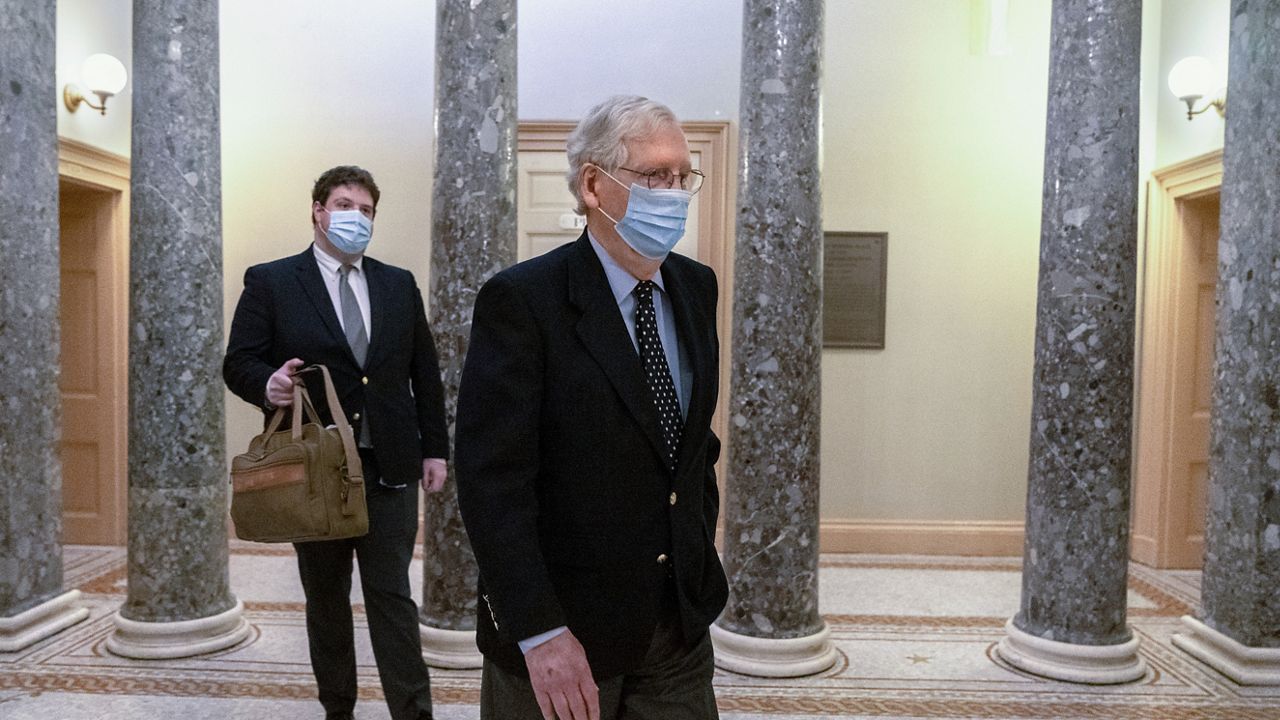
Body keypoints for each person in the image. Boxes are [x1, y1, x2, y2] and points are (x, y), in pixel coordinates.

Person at [455, 95, 728, 720]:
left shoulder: (694, 288)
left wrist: (695, 548)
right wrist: (539, 629)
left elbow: (690, 445)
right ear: (594, 185)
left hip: (676, 624)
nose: (673, 192)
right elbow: (493, 482)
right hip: (563, 636)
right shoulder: (522, 301)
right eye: (653, 175)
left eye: (681, 175)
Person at [223, 165, 448, 720]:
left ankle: (413, 712)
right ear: (318, 211)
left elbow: (425, 370)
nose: (356, 217)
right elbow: (238, 362)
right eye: (344, 205)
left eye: (366, 210)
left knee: (392, 597)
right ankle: (338, 709)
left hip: (388, 466)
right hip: (316, 470)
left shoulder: (397, 283)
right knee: (326, 599)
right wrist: (268, 383)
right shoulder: (272, 281)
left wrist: (435, 448)